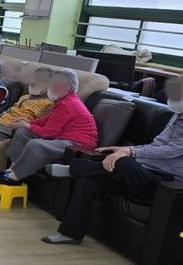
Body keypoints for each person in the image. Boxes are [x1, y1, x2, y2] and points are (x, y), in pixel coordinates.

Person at [42, 75, 183, 245]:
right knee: (90, 181)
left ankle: (74, 169)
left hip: (164, 185)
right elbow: (156, 145)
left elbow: (171, 150)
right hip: (142, 173)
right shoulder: (177, 116)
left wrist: (130, 151)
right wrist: (121, 149)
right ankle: (70, 234)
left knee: (123, 162)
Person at [0, 69, 98, 186]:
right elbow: (46, 121)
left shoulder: (67, 104)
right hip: (63, 137)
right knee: (23, 132)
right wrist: (28, 122)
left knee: (36, 144)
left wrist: (28, 125)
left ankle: (15, 177)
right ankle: (13, 168)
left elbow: (48, 133)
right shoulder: (62, 101)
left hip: (77, 145)